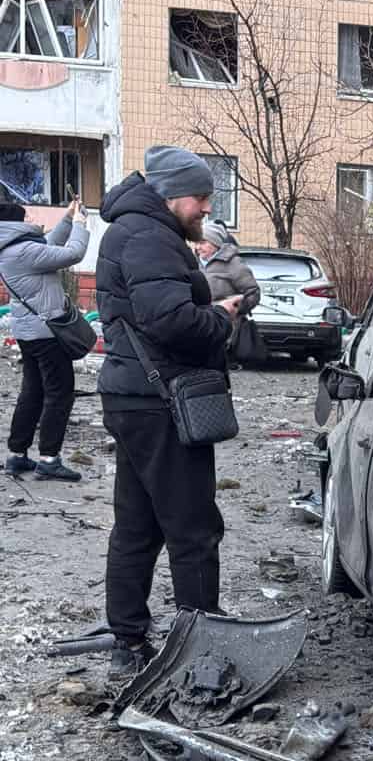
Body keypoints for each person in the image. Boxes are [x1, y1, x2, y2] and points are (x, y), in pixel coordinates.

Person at [95, 146, 242, 676]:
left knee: (137, 526)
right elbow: (172, 322)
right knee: (192, 527)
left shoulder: (136, 230)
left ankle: (128, 643)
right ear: (171, 194)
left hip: (136, 397)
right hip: (161, 403)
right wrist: (220, 318)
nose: (206, 206)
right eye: (201, 196)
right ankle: (200, 645)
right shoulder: (150, 236)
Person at [0, 195, 90, 481]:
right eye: (24, 218)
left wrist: (66, 217)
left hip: (28, 332)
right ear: (14, 224)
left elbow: (48, 246)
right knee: (59, 394)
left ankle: (17, 455)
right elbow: (73, 254)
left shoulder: (11, 248)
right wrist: (80, 224)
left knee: (33, 392)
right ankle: (49, 459)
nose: (29, 220)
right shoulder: (24, 250)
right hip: (47, 333)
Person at [196, 221, 260, 360]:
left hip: (224, 327)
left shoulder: (233, 263)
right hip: (200, 323)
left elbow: (253, 293)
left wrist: (234, 310)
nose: (198, 247)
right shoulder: (194, 263)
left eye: (203, 243)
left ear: (215, 243)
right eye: (197, 243)